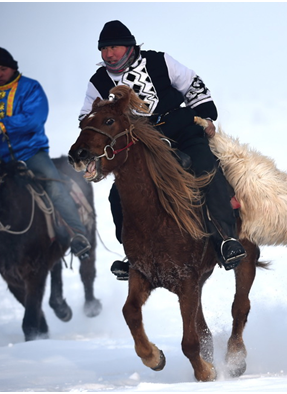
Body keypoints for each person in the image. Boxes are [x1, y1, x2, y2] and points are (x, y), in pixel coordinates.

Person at [79, 20, 246, 280]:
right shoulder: (99, 82)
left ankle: (225, 239)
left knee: (206, 169)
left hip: (182, 129)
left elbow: (192, 83)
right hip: (141, 144)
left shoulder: (159, 61)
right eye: (104, 49)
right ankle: (132, 255)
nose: (108, 54)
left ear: (129, 46)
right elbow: (88, 118)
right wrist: (92, 150)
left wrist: (206, 115)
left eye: (114, 47)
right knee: (117, 195)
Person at [0, 47, 92, 273]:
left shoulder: (30, 88)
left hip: (31, 153)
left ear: (13, 68)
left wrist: (2, 126)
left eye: (2, 69)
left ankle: (78, 236)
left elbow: (34, 119)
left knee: (55, 186)